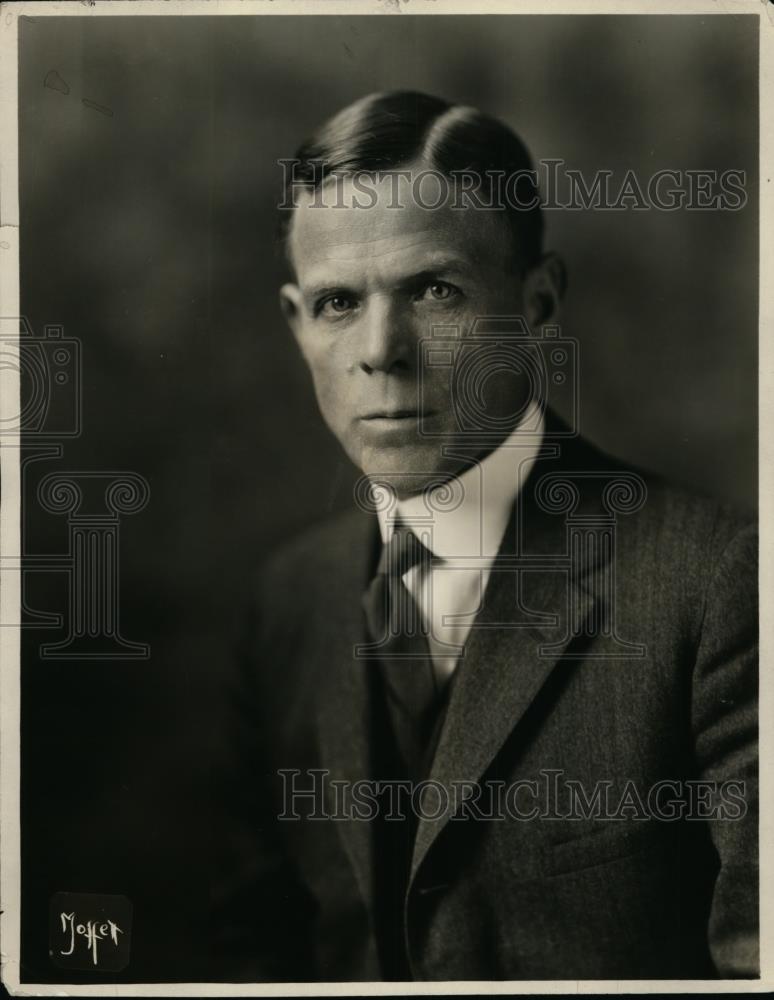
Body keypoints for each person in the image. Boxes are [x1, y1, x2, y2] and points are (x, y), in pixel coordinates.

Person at [211, 91, 758, 982]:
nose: (381, 350)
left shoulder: (722, 582)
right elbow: (252, 955)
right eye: (339, 302)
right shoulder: (288, 601)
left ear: (537, 303)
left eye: (434, 290)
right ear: (297, 323)